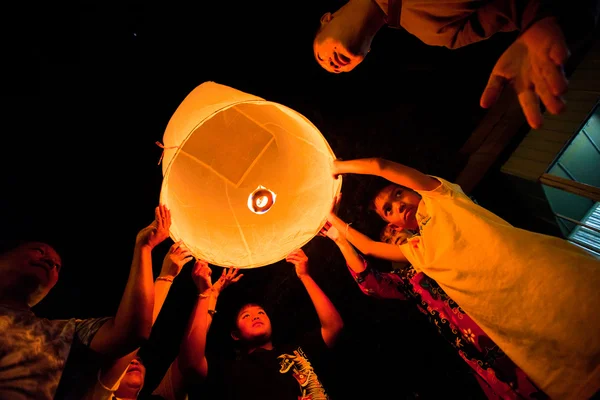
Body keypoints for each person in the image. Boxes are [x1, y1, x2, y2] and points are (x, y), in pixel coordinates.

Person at [325, 157, 600, 399]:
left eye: (398, 194)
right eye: (389, 209)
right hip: (528, 333)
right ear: (393, 224)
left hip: (558, 281)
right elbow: (369, 249)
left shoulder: (442, 199)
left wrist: (336, 167)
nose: (398, 205)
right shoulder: (418, 252)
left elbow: (380, 166)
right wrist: (329, 217)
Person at [320, 221, 546, 399]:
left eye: (393, 230)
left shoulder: (440, 243)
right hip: (475, 342)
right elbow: (370, 283)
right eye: (387, 240)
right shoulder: (407, 280)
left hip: (501, 313)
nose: (392, 237)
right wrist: (341, 241)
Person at [313, 0, 599, 129]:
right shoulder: (439, 33)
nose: (332, 65)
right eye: (335, 70)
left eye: (320, 56)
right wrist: (546, 22)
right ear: (367, 52)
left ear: (327, 18)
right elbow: (520, 6)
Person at [0, 205, 171, 400]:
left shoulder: (62, 333)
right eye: (39, 251)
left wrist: (144, 248)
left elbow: (131, 331)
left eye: (57, 266)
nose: (50, 262)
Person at [152, 248, 344, 400]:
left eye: (260, 312)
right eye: (246, 316)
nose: (256, 316)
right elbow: (190, 364)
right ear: (235, 334)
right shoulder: (231, 370)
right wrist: (206, 294)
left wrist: (305, 276)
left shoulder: (297, 350)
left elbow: (334, 326)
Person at [85, 241, 194, 400]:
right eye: (131, 361)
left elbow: (189, 359)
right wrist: (166, 277)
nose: (134, 363)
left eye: (138, 360)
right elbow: (133, 337)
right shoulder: (98, 396)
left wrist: (208, 296)